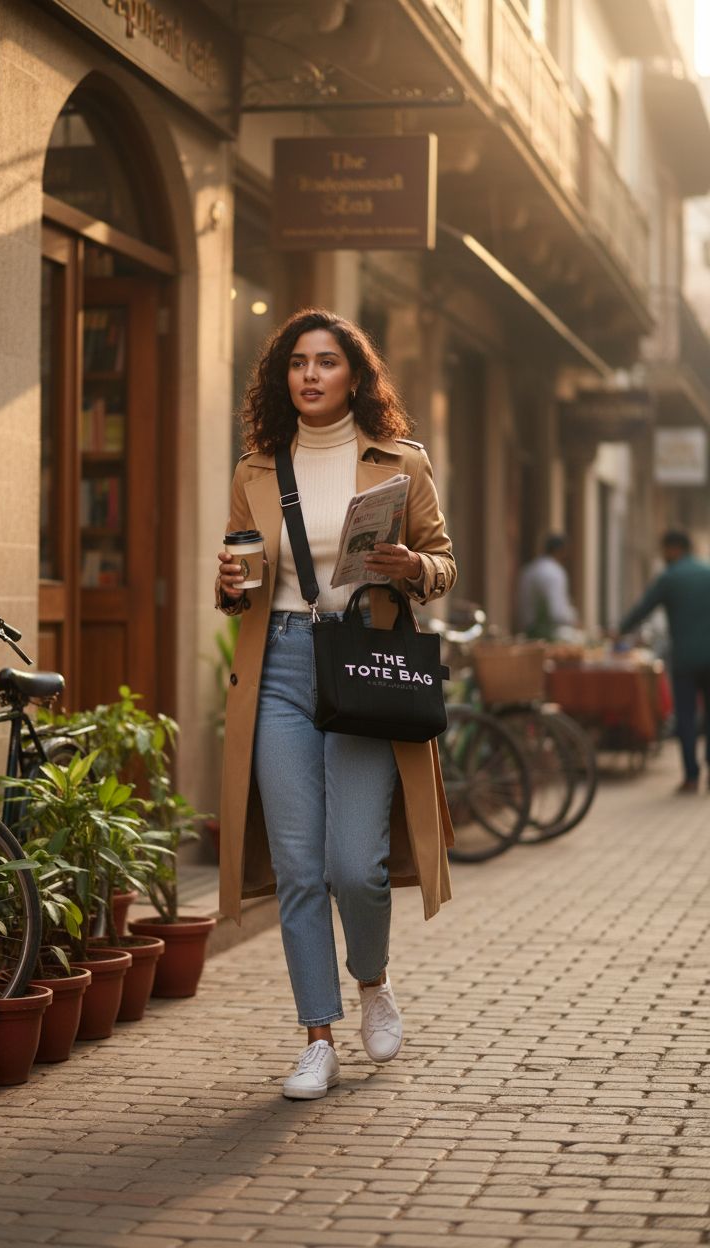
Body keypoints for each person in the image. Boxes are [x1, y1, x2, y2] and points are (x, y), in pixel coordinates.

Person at [215, 308, 457, 1100]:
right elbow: (240, 574)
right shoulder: (256, 469)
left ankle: (373, 980)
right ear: (282, 378)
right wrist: (229, 584)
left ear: (355, 375)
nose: (310, 374)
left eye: (325, 361)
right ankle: (317, 1037)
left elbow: (444, 562)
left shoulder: (400, 462)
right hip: (279, 666)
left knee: (356, 864)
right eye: (297, 363)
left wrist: (411, 565)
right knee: (298, 865)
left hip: (362, 664)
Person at [617, 530, 710, 794]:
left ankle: (691, 776)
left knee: (686, 718)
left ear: (673, 548)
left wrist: (620, 631)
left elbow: (643, 609)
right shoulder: (707, 573)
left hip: (685, 660)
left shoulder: (670, 578)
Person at [517, 534, 577, 640]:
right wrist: (574, 618)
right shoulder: (555, 572)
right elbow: (557, 613)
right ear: (561, 551)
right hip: (548, 634)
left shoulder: (529, 569)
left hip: (527, 630)